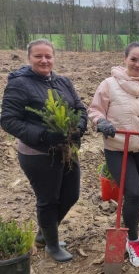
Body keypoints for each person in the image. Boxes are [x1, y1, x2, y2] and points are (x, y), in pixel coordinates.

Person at [0, 38, 87, 262]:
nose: (44, 60)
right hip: (38, 153)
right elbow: (8, 120)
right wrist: (43, 135)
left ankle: (44, 234)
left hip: (66, 150)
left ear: (54, 58)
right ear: (29, 58)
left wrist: (79, 126)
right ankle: (51, 244)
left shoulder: (63, 82)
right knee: (48, 200)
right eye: (38, 56)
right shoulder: (20, 84)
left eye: (48, 56)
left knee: (71, 195)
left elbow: (79, 107)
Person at [88, 42, 139, 269]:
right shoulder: (109, 85)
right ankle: (132, 240)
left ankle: (131, 230)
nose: (138, 64)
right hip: (117, 147)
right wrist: (101, 121)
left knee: (137, 194)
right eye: (133, 59)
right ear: (125, 59)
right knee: (132, 192)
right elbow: (94, 109)